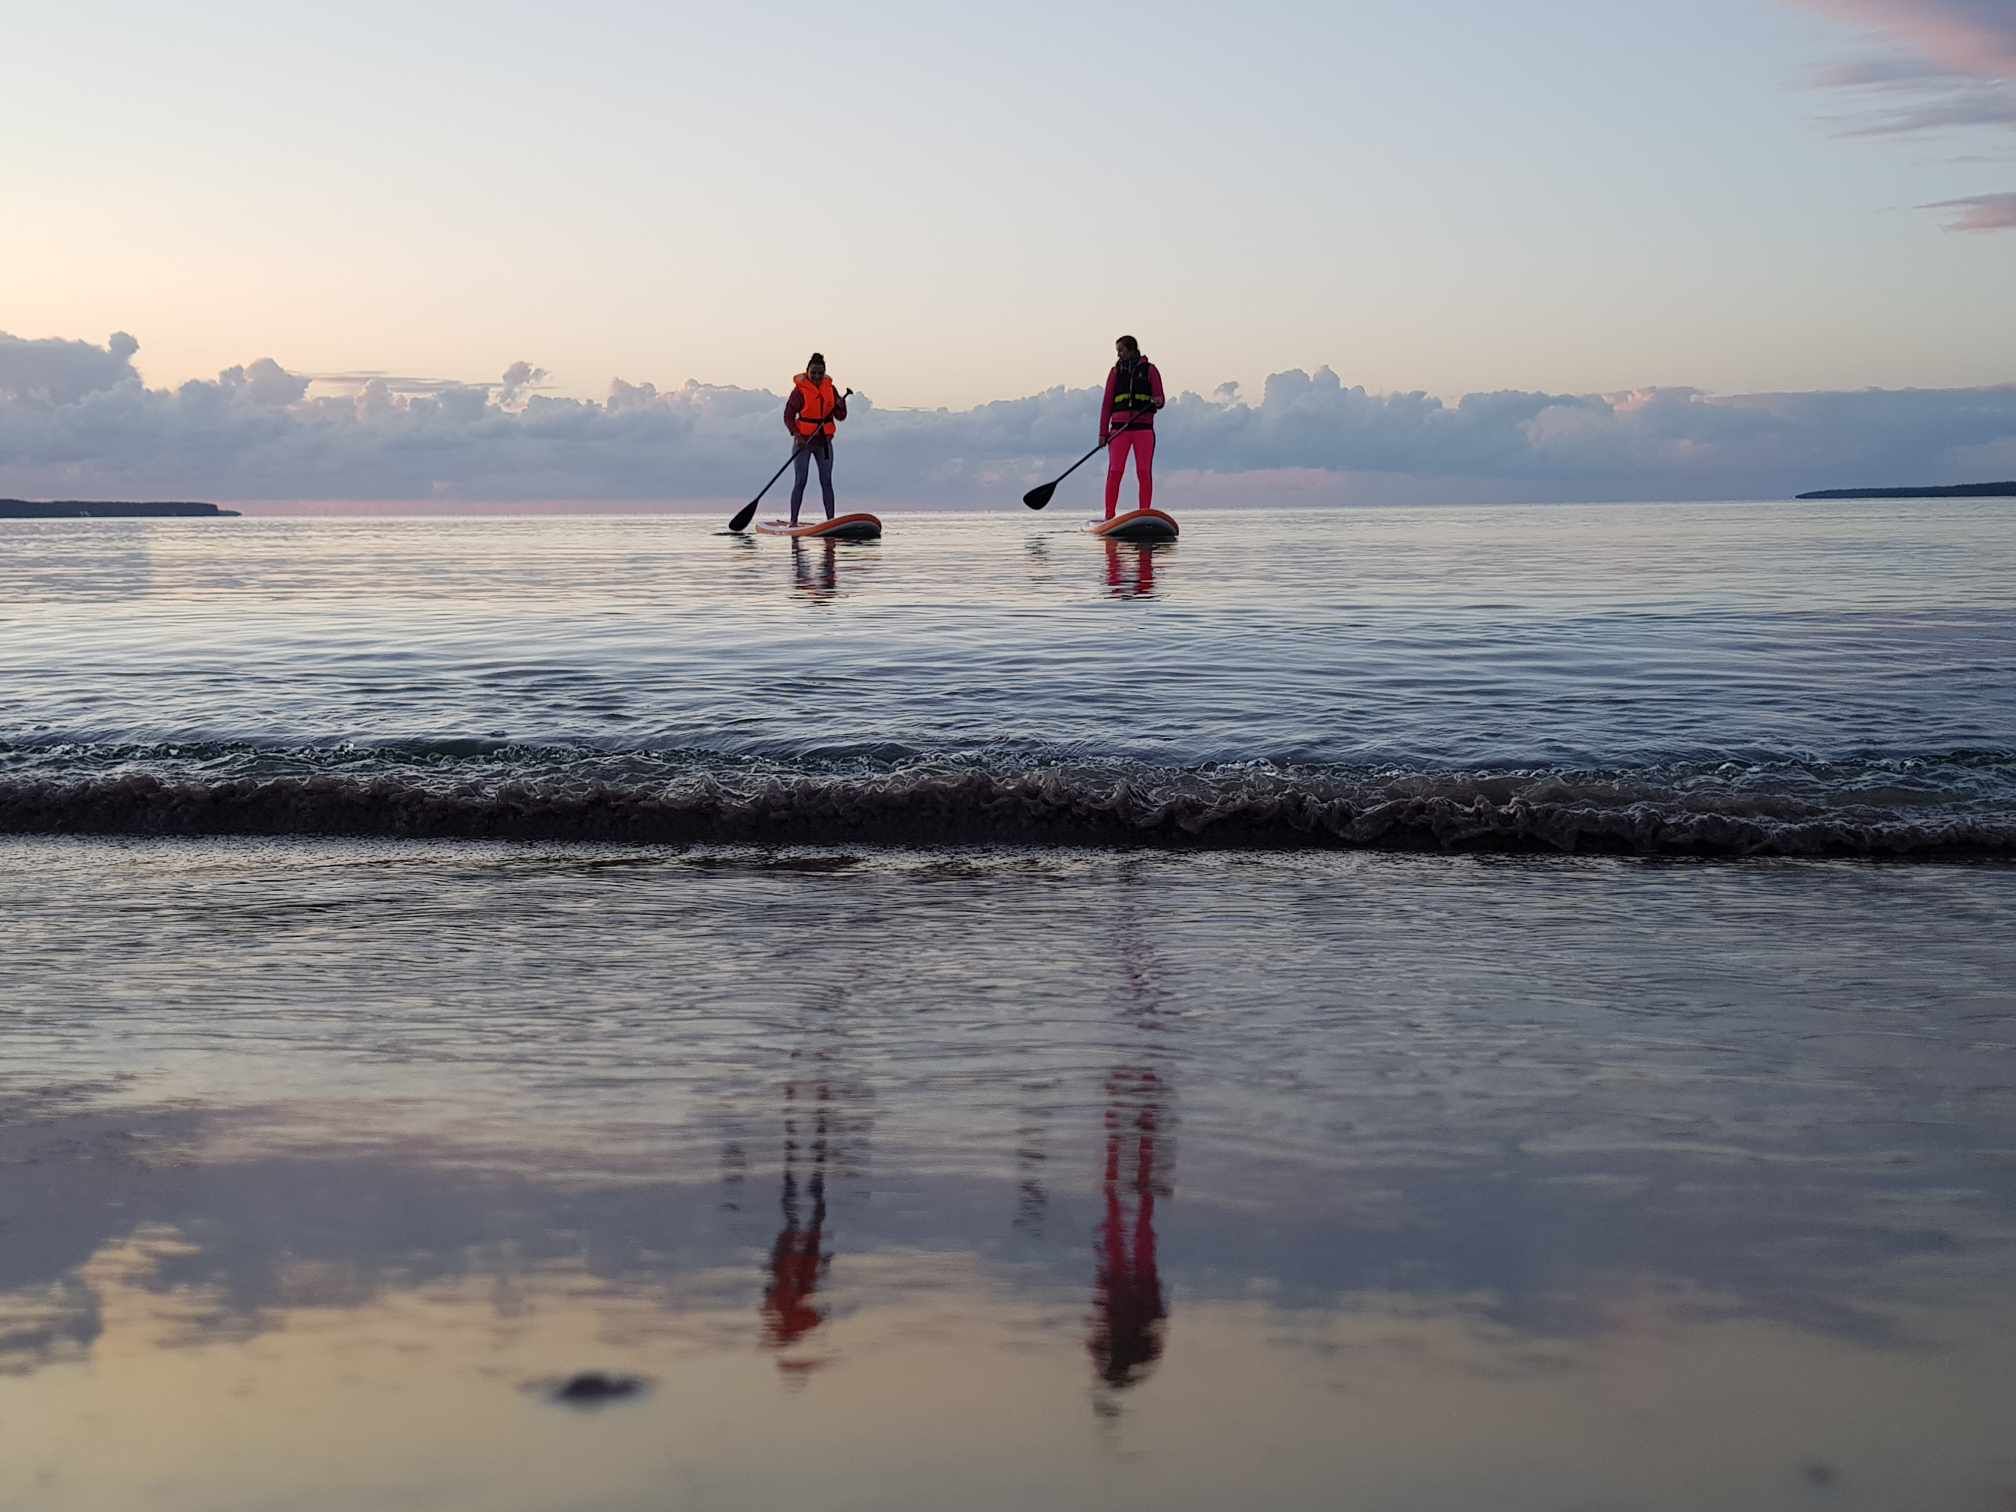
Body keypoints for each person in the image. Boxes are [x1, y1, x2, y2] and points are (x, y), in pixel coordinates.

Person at [1098, 335, 1165, 519]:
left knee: (1143, 471)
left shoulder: (1150, 370)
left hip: (1143, 429)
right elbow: (1106, 404)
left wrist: (1157, 401)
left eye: (1121, 350)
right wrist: (1103, 433)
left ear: (1132, 349)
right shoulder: (1115, 373)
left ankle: (1144, 513)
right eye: (1117, 351)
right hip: (1119, 430)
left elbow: (1160, 398)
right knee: (1115, 471)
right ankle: (1109, 516)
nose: (1118, 354)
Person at [783, 353, 848, 524]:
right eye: (814, 373)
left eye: (820, 373)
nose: (817, 377)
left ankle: (830, 521)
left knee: (826, 481)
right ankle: (793, 521)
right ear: (808, 372)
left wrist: (842, 406)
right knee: (801, 481)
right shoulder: (799, 391)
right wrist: (797, 435)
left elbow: (840, 416)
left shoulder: (830, 389)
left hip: (824, 443)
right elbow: (788, 416)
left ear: (824, 372)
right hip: (803, 443)